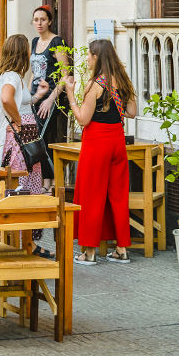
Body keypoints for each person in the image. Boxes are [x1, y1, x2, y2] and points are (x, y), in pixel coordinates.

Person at [62, 38, 137, 265]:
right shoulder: (123, 82)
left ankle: (90, 252)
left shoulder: (96, 85)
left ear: (96, 57)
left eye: (89, 55)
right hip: (117, 141)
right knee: (118, 195)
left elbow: (84, 119)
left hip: (97, 142)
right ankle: (121, 249)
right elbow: (132, 112)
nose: (87, 58)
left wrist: (71, 96)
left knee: (91, 195)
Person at [0, 34, 50, 206]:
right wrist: (18, 122)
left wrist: (38, 96)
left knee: (25, 176)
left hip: (25, 136)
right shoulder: (12, 76)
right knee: (21, 178)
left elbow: (21, 104)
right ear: (21, 53)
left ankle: (22, 229)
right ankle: (20, 229)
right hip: (19, 137)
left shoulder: (14, 75)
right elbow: (6, 98)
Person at [28, 5, 69, 190]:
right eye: (36, 19)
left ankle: (51, 181)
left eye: (43, 19)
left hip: (51, 96)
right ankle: (44, 179)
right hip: (36, 96)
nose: (39, 23)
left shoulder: (57, 41)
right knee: (36, 138)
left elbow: (65, 75)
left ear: (50, 21)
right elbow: (33, 73)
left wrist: (51, 99)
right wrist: (29, 96)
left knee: (46, 137)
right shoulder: (35, 41)